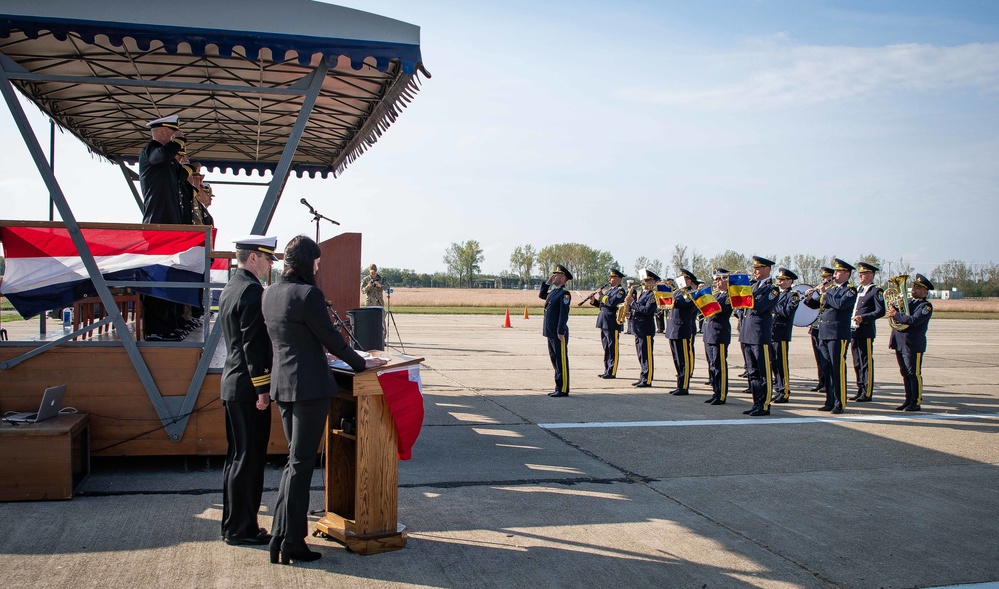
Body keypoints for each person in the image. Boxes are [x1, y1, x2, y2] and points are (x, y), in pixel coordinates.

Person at [262, 235, 387, 565]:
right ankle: (291, 541)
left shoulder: (271, 292)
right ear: (306, 262)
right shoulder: (308, 294)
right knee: (300, 465)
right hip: (309, 389)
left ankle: (280, 536)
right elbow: (332, 339)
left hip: (283, 387)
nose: (318, 267)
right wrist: (363, 363)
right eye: (316, 261)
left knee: (293, 463)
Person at [219, 235, 277, 547]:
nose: (270, 266)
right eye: (268, 259)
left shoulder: (233, 285)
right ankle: (242, 528)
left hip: (233, 384)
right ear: (253, 257)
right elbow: (254, 346)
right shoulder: (252, 291)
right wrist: (263, 390)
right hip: (247, 389)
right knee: (249, 459)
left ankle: (233, 524)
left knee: (237, 458)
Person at [139, 114, 187, 341]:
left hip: (170, 227)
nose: (173, 139)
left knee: (170, 278)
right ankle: (156, 328)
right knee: (158, 279)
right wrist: (176, 144)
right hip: (157, 226)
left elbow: (182, 176)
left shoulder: (166, 158)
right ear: (160, 133)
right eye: (170, 134)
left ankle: (168, 324)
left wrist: (179, 154)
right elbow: (160, 157)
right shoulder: (151, 150)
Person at [803, 258, 858, 414]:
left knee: (837, 368)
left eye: (839, 271)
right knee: (826, 367)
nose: (835, 274)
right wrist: (809, 298)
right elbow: (820, 305)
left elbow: (840, 305)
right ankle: (829, 400)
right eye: (835, 271)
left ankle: (839, 402)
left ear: (846, 274)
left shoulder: (850, 290)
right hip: (824, 332)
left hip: (837, 334)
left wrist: (825, 293)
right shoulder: (832, 290)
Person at [738, 256, 780, 416]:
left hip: (759, 335)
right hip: (747, 334)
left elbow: (760, 306)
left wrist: (746, 294)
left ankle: (765, 404)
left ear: (767, 269)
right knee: (753, 371)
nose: (755, 271)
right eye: (754, 268)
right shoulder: (754, 287)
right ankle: (756, 402)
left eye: (758, 268)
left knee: (763, 372)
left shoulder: (772, 289)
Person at [888, 274, 934, 411]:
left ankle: (916, 401)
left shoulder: (925, 306)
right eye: (914, 286)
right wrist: (894, 309)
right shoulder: (908, 301)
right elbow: (899, 316)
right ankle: (908, 399)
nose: (914, 289)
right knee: (905, 372)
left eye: (918, 288)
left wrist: (896, 314)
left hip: (912, 344)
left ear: (925, 292)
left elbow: (914, 320)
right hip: (900, 341)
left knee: (913, 373)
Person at [851, 261, 886, 402]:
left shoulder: (875, 291)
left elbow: (880, 311)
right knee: (857, 362)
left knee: (866, 362)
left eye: (864, 273)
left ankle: (867, 391)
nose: (860, 275)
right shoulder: (858, 289)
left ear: (871, 275)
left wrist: (864, 318)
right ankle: (860, 389)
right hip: (854, 330)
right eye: (860, 273)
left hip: (865, 330)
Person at [540, 264, 572, 397]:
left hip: (558, 333)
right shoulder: (554, 292)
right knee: (555, 360)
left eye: (557, 275)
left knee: (561, 361)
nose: (554, 276)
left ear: (563, 277)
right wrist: (547, 283)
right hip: (550, 331)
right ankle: (558, 386)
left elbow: (563, 314)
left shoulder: (564, 294)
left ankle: (563, 388)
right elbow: (542, 295)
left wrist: (560, 331)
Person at [770, 268, 801, 403]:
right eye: (779, 279)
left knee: (781, 363)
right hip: (771, 332)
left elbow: (787, 312)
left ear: (790, 281)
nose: (779, 282)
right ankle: (778, 388)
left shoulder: (793, 295)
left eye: (782, 280)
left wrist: (773, 305)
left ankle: (785, 391)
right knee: (774, 363)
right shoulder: (776, 293)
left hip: (781, 332)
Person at [666, 269, 698, 396]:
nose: (680, 281)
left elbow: (679, 303)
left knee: (683, 360)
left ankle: (684, 386)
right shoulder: (678, 292)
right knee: (677, 359)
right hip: (673, 329)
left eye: (684, 279)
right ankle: (679, 384)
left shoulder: (690, 293)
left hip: (682, 329)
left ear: (689, 281)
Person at [703, 269, 733, 405]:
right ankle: (715, 391)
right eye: (717, 280)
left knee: (719, 365)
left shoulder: (729, 296)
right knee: (712, 365)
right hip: (710, 333)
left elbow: (717, 309)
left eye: (721, 280)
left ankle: (721, 394)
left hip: (719, 333)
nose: (717, 282)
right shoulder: (716, 294)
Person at [590, 268, 626, 379]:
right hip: (604, 321)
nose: (609, 279)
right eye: (610, 277)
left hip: (612, 322)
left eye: (612, 277)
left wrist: (601, 296)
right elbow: (603, 305)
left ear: (618, 279)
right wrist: (594, 301)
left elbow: (612, 302)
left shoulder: (620, 291)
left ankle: (612, 371)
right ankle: (607, 369)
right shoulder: (610, 291)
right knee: (606, 347)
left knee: (612, 347)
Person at [627, 269, 659, 388]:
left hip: (646, 329)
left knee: (647, 355)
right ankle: (643, 377)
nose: (644, 282)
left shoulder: (653, 294)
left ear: (653, 281)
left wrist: (632, 303)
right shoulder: (644, 293)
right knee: (641, 354)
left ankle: (647, 378)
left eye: (647, 280)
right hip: (638, 328)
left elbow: (647, 310)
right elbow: (639, 309)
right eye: (644, 280)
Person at [807, 266, 835, 393]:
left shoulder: (832, 291)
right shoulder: (823, 292)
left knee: (826, 359)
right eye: (823, 277)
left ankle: (828, 383)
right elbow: (816, 306)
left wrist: (824, 293)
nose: (823, 279)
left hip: (828, 328)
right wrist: (809, 298)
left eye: (826, 277)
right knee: (819, 358)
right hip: (817, 327)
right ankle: (821, 381)